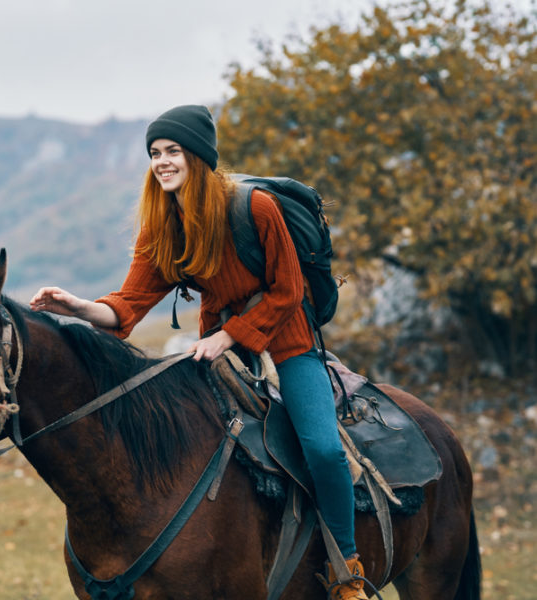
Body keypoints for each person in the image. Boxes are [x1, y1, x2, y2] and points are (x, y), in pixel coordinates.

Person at [29, 104, 367, 599]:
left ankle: (347, 569)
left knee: (321, 448)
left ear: (198, 156)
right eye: (154, 153)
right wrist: (80, 307)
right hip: (216, 346)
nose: (162, 161)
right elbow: (128, 305)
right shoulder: (163, 223)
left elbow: (288, 291)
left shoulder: (254, 208)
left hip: (286, 342)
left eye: (172, 151)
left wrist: (230, 336)